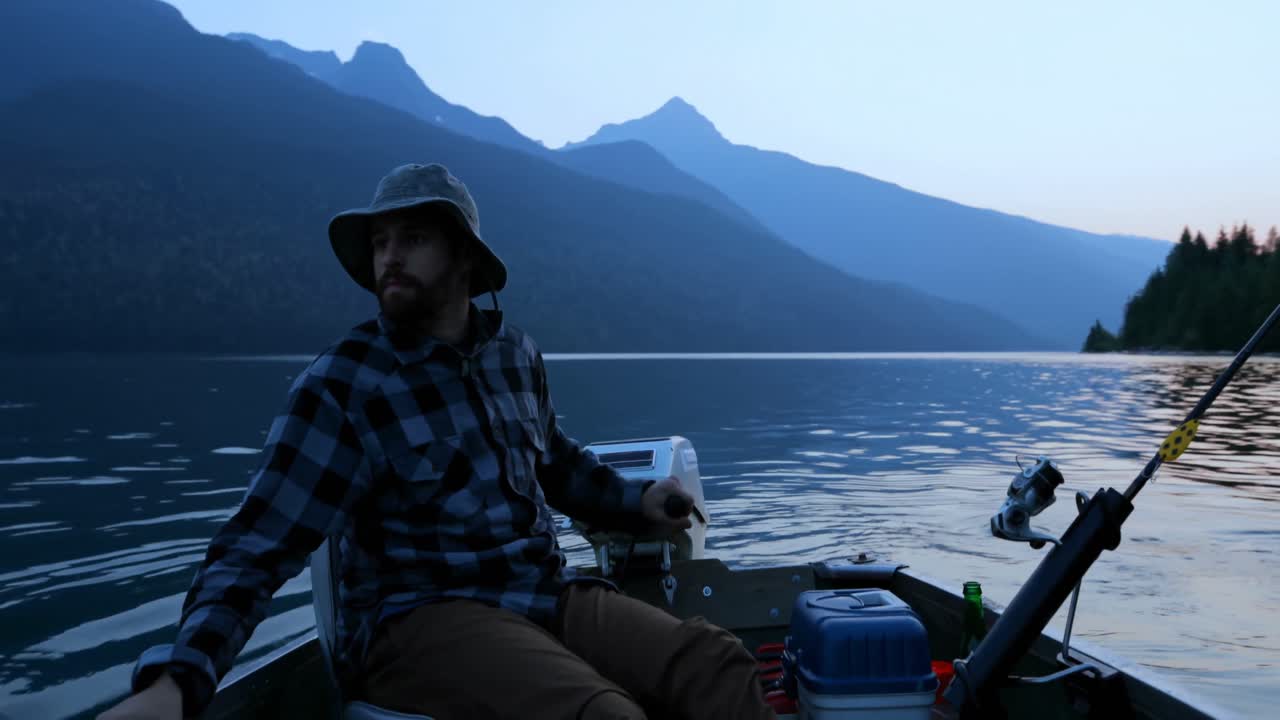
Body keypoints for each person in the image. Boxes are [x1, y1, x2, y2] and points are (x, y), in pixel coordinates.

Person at [99, 163, 776, 719]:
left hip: (540, 590)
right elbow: (257, 544)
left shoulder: (515, 356)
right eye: (380, 241)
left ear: (463, 259)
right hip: (418, 620)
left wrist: (639, 502)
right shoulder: (344, 384)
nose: (389, 255)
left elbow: (558, 466)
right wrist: (179, 681)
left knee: (718, 666)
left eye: (412, 238)